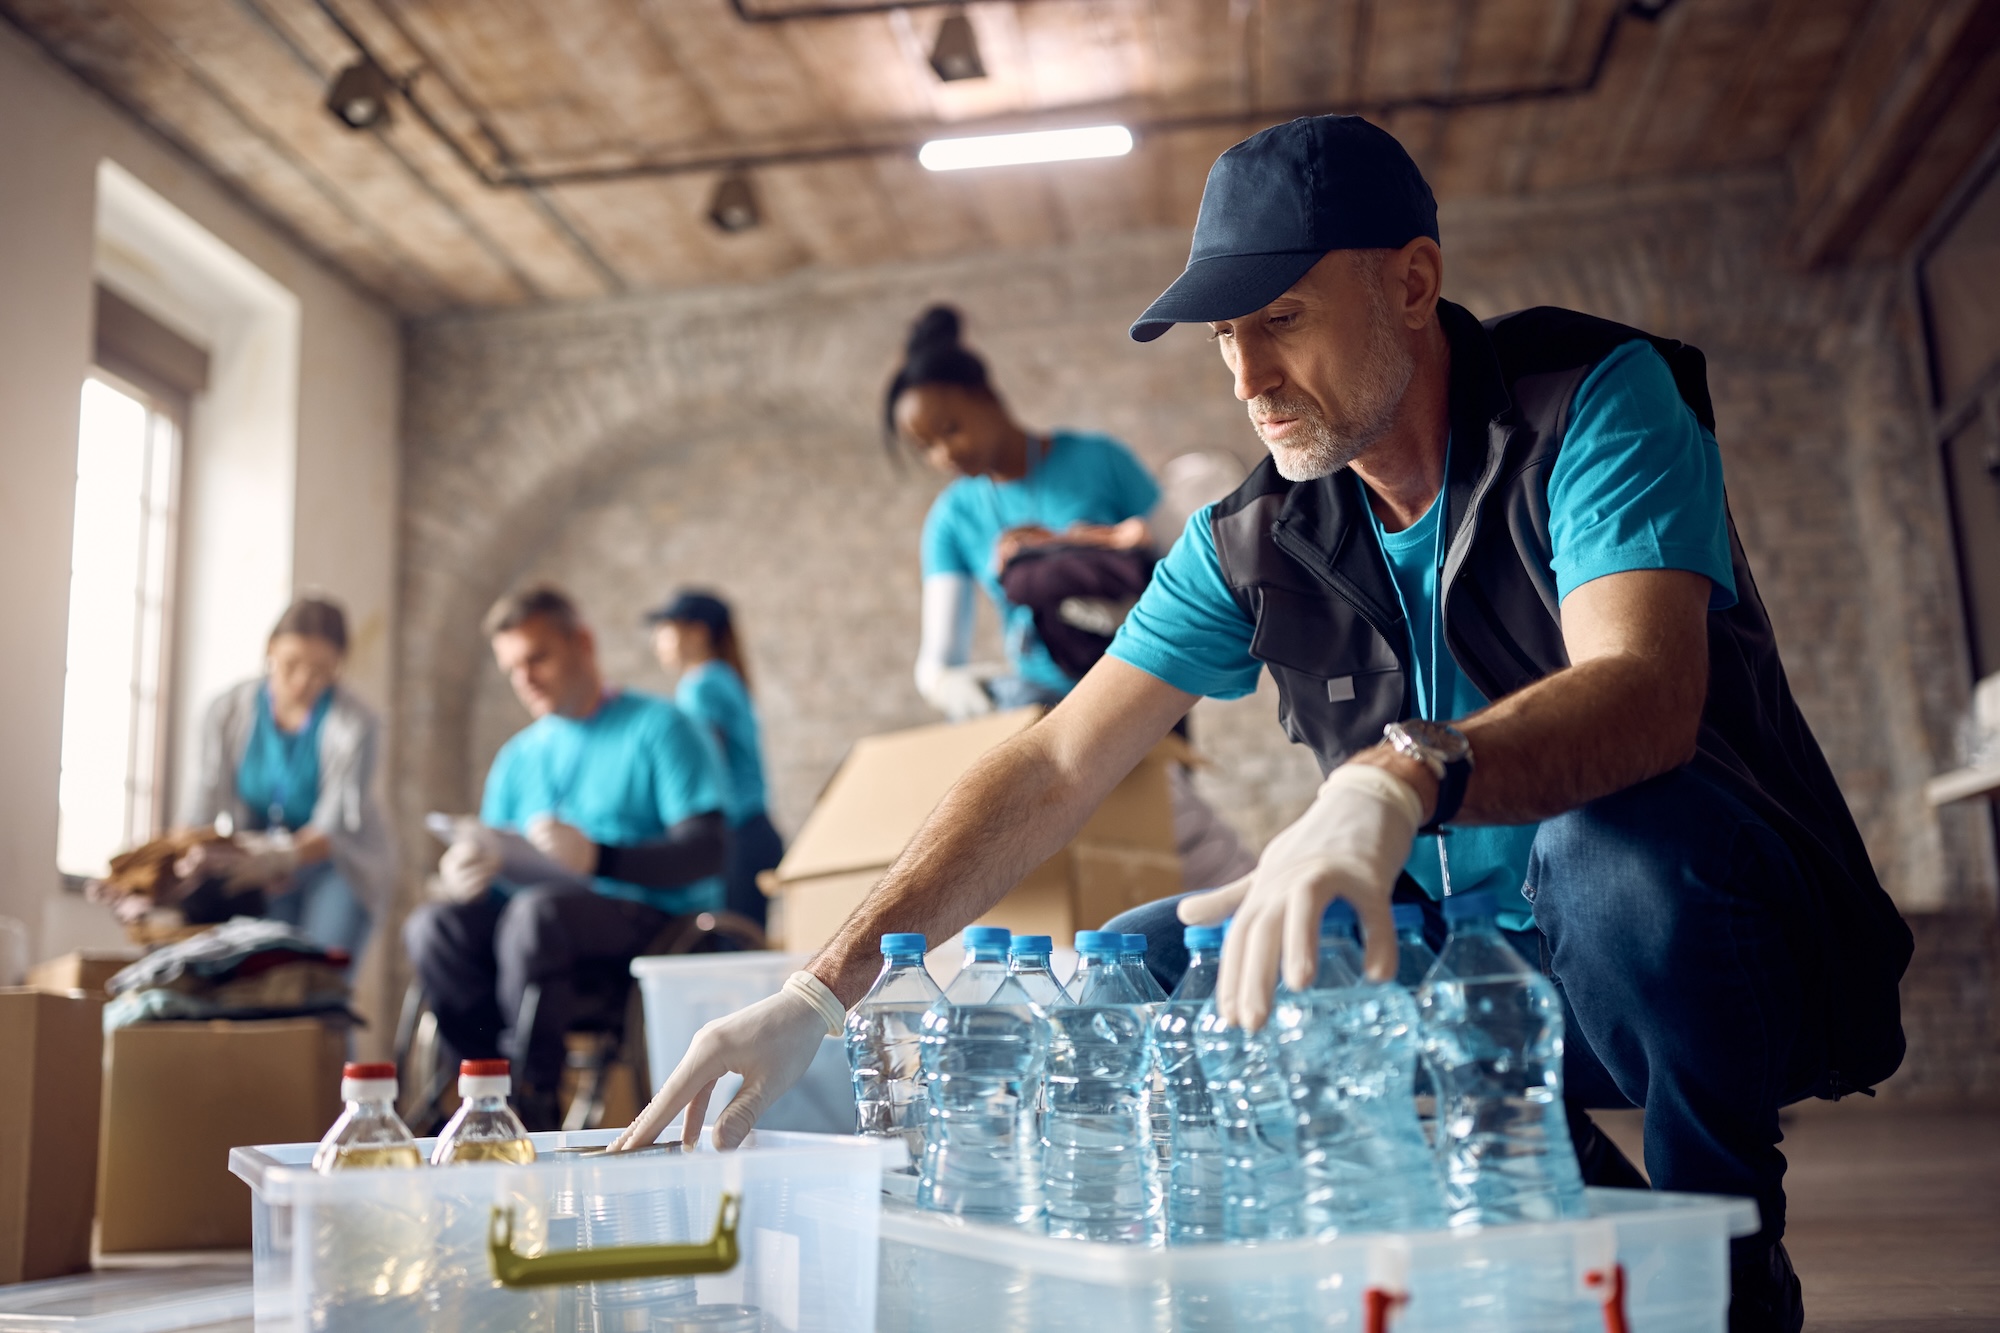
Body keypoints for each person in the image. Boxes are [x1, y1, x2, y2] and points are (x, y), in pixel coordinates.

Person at [613, 117, 1913, 1332]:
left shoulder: (1592, 401)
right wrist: (816, 990)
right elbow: (1059, 759)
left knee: (1609, 850)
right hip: (1471, 982)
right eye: (1222, 336)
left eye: (1280, 317)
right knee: (1153, 955)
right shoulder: (1258, 536)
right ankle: (1554, 1223)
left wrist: (1392, 779)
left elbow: (1646, 691)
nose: (1246, 374)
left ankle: (1718, 1239)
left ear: (1411, 282)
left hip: (1700, 938)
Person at [891, 305, 1256, 892]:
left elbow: (1177, 561)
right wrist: (949, 686)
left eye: (950, 428)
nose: (944, 455)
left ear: (985, 394)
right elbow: (938, 659)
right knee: (1093, 882)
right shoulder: (952, 519)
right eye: (925, 446)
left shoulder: (1097, 461)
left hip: (1144, 683)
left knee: (1177, 855)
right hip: (1047, 711)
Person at [404, 584, 730, 1129]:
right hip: (535, 938)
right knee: (434, 925)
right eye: (511, 668)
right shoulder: (516, 759)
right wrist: (464, 875)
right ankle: (478, 1098)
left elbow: (708, 852)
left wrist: (600, 859)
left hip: (649, 927)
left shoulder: (662, 729)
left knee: (537, 917)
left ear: (583, 644)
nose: (524, 679)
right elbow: (495, 871)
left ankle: (530, 1106)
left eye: (538, 658)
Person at [177, 597, 395, 963]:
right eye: (291, 664)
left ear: (338, 667)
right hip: (262, 869)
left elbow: (333, 827)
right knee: (268, 975)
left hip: (337, 865)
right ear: (269, 649)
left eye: (321, 670)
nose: (303, 680)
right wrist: (164, 873)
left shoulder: (357, 724)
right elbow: (201, 808)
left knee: (319, 978)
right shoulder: (225, 712)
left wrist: (279, 857)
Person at [646, 589, 783, 930]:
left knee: (734, 951)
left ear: (697, 632)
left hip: (739, 837)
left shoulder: (702, 686)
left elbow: (700, 764)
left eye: (666, 629)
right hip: (754, 832)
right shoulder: (723, 679)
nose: (658, 641)